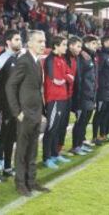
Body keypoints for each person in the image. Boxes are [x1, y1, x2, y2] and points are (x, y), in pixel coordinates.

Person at [6, 30, 50, 197]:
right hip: (25, 114)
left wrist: (41, 111)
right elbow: (10, 86)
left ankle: (31, 181)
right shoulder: (24, 61)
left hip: (36, 113)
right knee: (22, 151)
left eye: (44, 41)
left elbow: (36, 90)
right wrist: (17, 111)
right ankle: (20, 184)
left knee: (32, 150)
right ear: (30, 43)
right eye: (40, 41)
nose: (43, 45)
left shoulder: (37, 62)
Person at [0, 29, 22, 182]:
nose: (19, 42)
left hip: (15, 107)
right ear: (8, 42)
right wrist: (0, 99)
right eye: (16, 39)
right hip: (1, 106)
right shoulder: (0, 59)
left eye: (20, 39)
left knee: (11, 138)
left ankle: (7, 167)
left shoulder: (18, 58)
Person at [42, 36, 73, 169]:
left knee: (58, 128)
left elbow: (71, 77)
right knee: (51, 128)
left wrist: (65, 77)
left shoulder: (61, 59)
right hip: (54, 98)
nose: (66, 47)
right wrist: (65, 78)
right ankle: (46, 157)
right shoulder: (50, 59)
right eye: (64, 44)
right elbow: (56, 79)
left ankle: (55, 154)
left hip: (63, 97)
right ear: (56, 46)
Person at [71, 35, 98, 154]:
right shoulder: (82, 57)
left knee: (85, 122)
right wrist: (79, 96)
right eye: (93, 43)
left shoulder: (90, 57)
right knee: (80, 122)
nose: (96, 46)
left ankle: (80, 143)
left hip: (90, 95)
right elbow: (79, 78)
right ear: (86, 43)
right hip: (83, 96)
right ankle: (75, 146)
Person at [57, 36, 82, 155]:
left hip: (70, 97)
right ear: (70, 46)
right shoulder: (63, 58)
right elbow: (62, 76)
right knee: (58, 125)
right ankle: (54, 152)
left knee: (64, 124)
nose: (80, 49)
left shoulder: (75, 59)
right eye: (78, 46)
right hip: (61, 97)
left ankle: (59, 150)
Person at [92, 35, 109, 144]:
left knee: (106, 113)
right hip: (102, 91)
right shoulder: (101, 56)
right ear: (105, 42)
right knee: (99, 113)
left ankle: (103, 135)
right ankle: (94, 137)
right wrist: (100, 88)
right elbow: (98, 73)